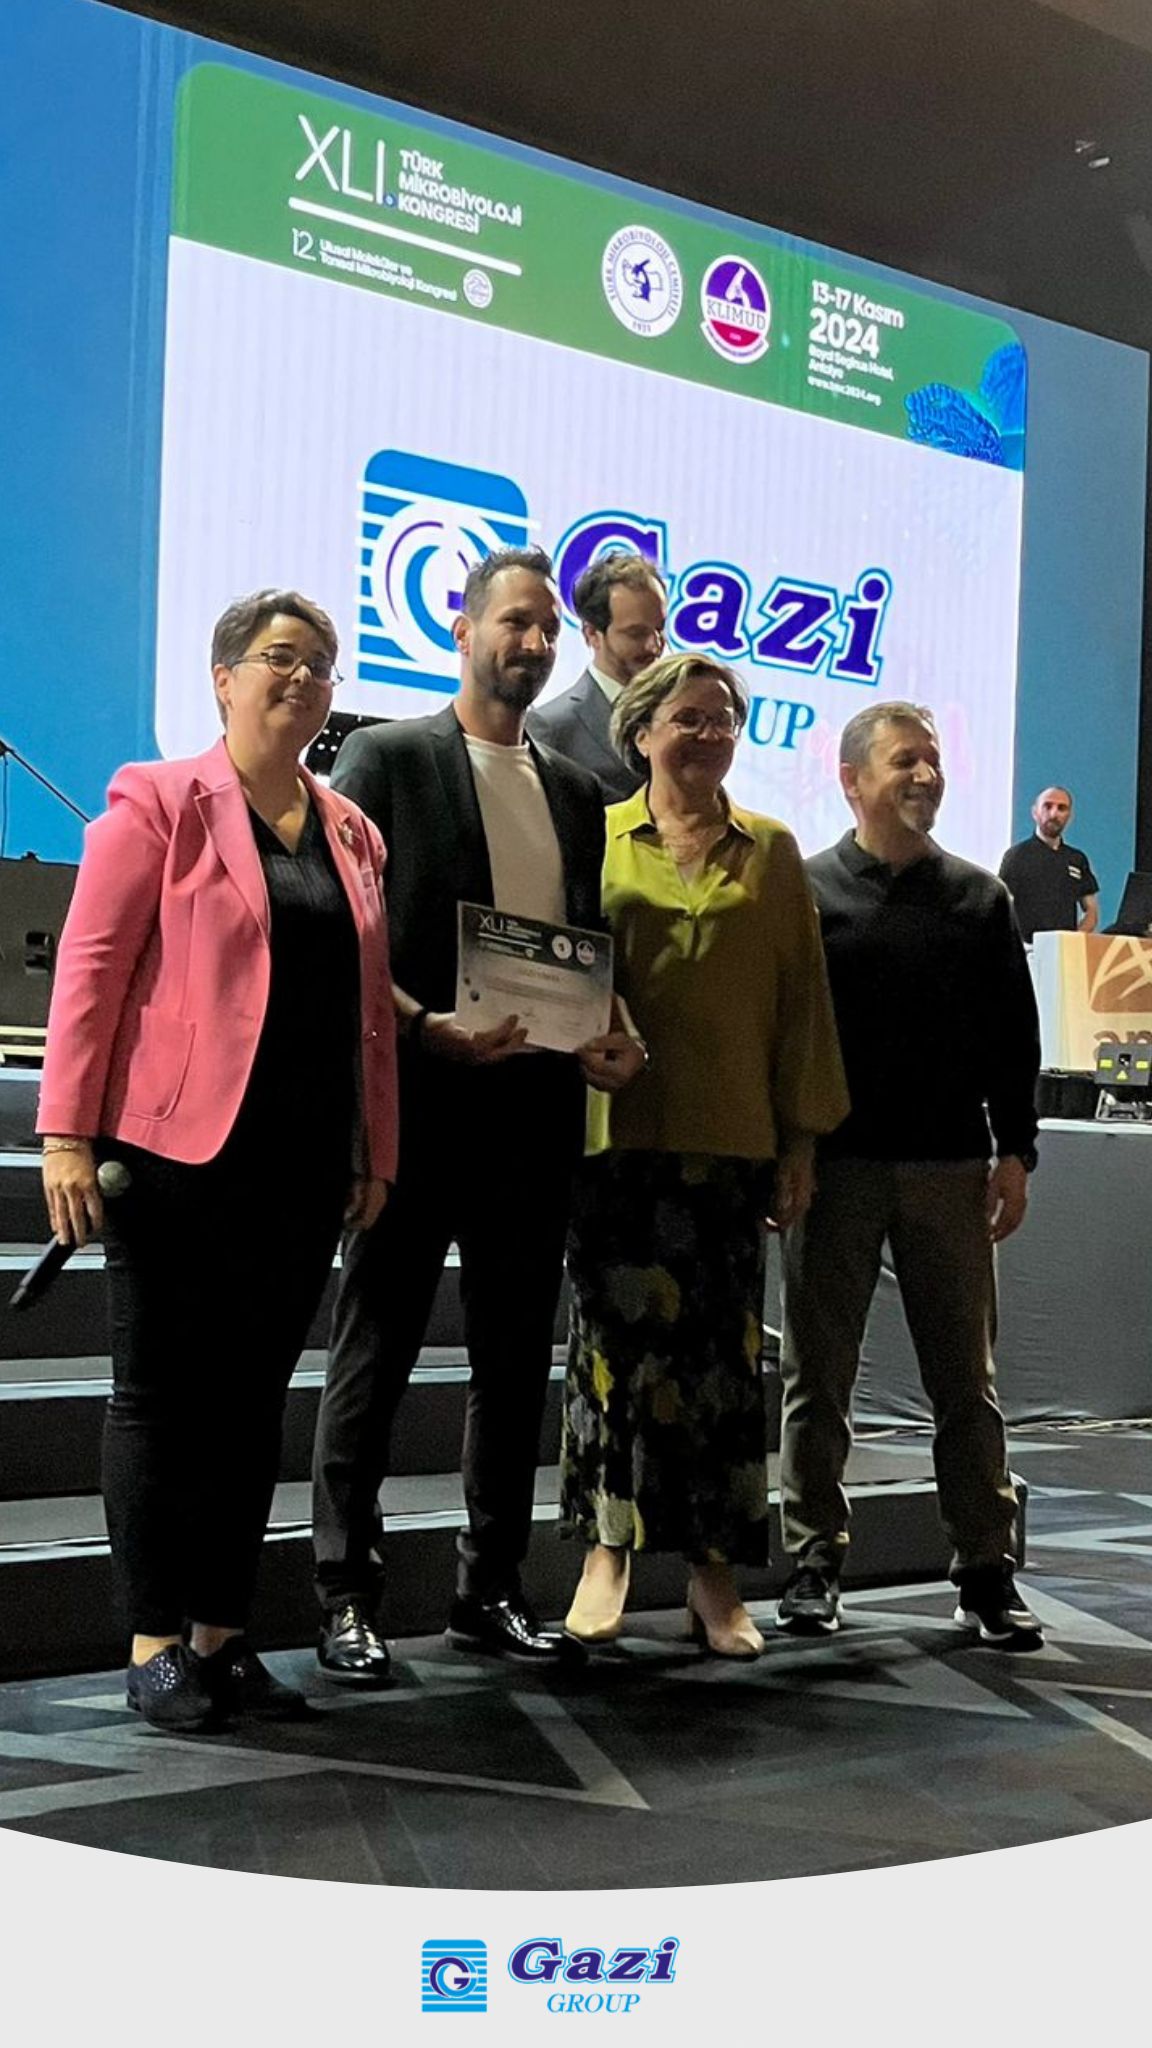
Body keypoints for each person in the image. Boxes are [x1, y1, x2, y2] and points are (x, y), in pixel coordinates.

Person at [36, 589, 399, 1732]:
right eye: (279, 656)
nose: (302, 677)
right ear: (224, 677)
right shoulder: (156, 801)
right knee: (160, 1400)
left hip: (302, 1159)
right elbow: (91, 972)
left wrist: (374, 1146)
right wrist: (64, 1133)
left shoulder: (352, 831)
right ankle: (154, 1641)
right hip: (172, 1153)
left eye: (321, 663)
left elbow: (367, 1011)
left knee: (250, 1408)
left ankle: (220, 1635)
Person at [311, 546, 646, 1682]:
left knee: (510, 1366)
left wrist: (612, 1030)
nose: (534, 642)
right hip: (420, 1106)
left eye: (547, 626)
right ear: (462, 630)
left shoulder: (578, 791)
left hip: (535, 1116)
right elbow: (346, 935)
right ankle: (344, 1593)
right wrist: (423, 1028)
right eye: (515, 622)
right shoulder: (387, 758)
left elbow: (582, 945)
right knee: (377, 1352)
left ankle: (488, 1587)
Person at [559, 653, 849, 1659]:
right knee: (610, 1359)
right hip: (613, 1141)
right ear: (641, 731)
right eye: (689, 717)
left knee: (722, 1366)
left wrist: (800, 1140)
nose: (710, 733)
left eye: (724, 718)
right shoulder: (591, 836)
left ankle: (713, 1575)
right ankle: (606, 1554)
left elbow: (804, 1002)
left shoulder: (773, 850)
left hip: (731, 1144)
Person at [778, 701, 1044, 1648]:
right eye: (905, 761)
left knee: (966, 1384)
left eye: (933, 760)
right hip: (835, 1169)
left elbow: (1013, 1037)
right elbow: (788, 1033)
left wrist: (1016, 1152)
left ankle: (985, 1570)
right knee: (818, 1377)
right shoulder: (804, 891)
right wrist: (789, 1150)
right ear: (853, 780)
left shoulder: (980, 898)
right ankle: (813, 1562)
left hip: (950, 1168)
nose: (926, 775)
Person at [526, 551, 667, 800]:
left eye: (660, 629)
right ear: (591, 634)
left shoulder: (681, 716)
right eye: (636, 634)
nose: (654, 646)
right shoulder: (551, 728)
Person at [998, 786, 1099, 942]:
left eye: (1062, 808)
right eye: (1047, 806)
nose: (1054, 814)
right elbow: (1001, 908)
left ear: (1070, 816)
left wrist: (1075, 939)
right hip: (1028, 950)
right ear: (1035, 812)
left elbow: (1091, 911)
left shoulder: (1077, 859)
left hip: (1065, 951)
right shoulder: (1016, 856)